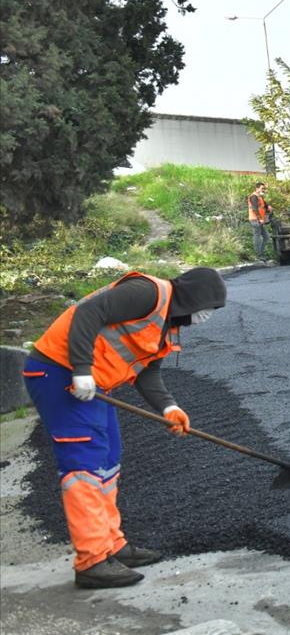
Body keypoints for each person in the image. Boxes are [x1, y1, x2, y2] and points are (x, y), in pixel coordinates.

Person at [23, 267, 228, 589]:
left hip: (93, 384)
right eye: (209, 309)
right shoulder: (148, 293)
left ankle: (112, 544)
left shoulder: (166, 325)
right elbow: (89, 311)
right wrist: (80, 369)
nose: (205, 317)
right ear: (194, 298)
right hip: (57, 372)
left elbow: (147, 373)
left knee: (107, 460)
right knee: (85, 464)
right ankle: (92, 561)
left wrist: (169, 407)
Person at [247, 181, 273, 261]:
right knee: (257, 237)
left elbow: (264, 204)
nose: (263, 190)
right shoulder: (253, 197)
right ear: (257, 188)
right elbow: (254, 208)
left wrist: (268, 206)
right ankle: (258, 256)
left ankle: (260, 254)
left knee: (266, 237)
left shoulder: (259, 197)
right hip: (255, 220)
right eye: (262, 188)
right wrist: (260, 218)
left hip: (259, 220)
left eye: (264, 188)